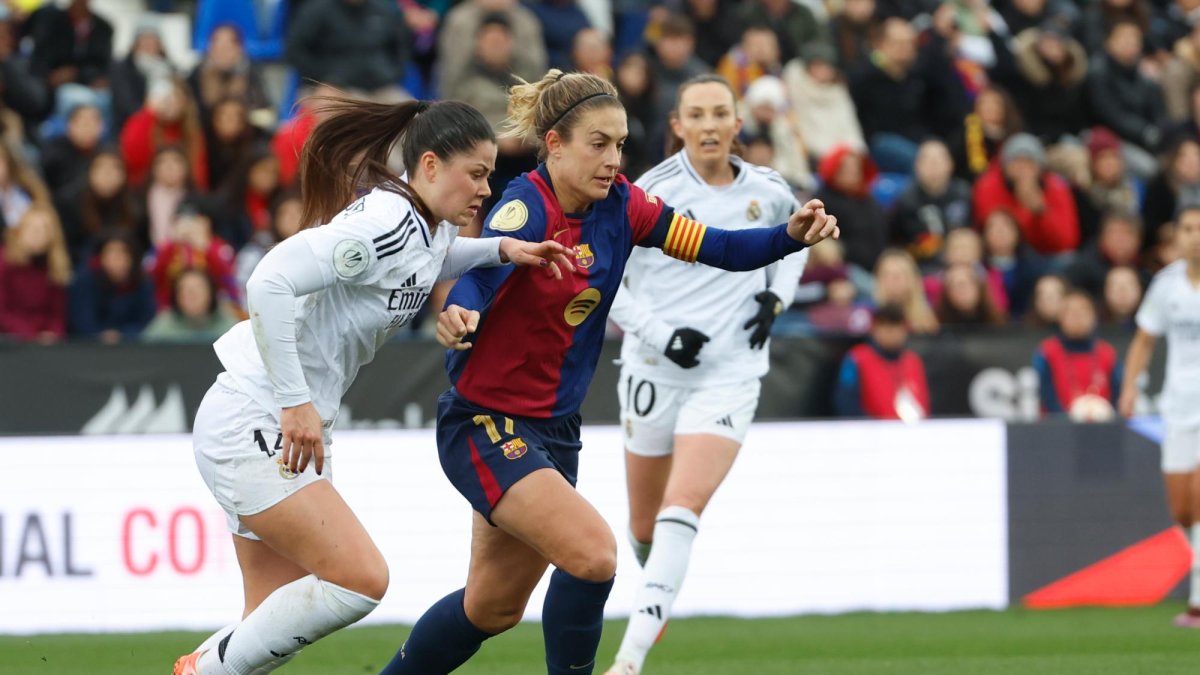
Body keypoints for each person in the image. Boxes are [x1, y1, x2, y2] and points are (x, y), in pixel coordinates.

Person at [379, 69, 838, 675]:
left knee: (490, 608)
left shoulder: (625, 205)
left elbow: (720, 247)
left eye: (620, 144)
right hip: (486, 424)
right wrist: (462, 308)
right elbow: (484, 270)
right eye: (599, 144)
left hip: (555, 431)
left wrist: (788, 237)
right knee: (594, 555)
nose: (614, 160)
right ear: (555, 144)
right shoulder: (526, 207)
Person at [171, 97, 575, 675]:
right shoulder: (384, 224)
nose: (487, 190)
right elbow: (267, 284)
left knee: (262, 624)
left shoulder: (424, 226)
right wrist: (295, 402)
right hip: (258, 417)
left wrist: (503, 249)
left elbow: (431, 260)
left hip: (277, 422)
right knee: (361, 579)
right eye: (478, 174)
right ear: (431, 166)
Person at [604, 74, 809, 675]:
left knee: (682, 505)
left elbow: (796, 245)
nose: (712, 125)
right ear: (679, 126)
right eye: (698, 114)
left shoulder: (770, 190)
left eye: (722, 113)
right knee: (644, 527)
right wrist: (661, 335)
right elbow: (605, 283)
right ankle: (656, 593)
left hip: (730, 374)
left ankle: (629, 659)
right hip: (652, 369)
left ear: (738, 124)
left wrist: (777, 300)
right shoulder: (650, 192)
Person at [1118, 204, 1200, 629]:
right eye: (1187, 228)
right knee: (1182, 509)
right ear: (1177, 236)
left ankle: (1197, 603)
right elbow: (1144, 341)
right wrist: (1131, 385)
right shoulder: (1167, 286)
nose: (1195, 236)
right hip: (1179, 404)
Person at [833, 302, 930, 420]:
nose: (891, 332)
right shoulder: (857, 358)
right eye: (884, 326)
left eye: (896, 326)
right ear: (875, 329)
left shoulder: (913, 361)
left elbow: (923, 404)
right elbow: (846, 403)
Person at [1033, 289, 1120, 419]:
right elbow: (1046, 397)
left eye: (1082, 312)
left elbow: (1117, 395)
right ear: (1060, 317)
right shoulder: (1047, 352)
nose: (1077, 318)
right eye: (1071, 313)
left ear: (1093, 317)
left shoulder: (1107, 353)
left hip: (1103, 428)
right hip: (1058, 429)